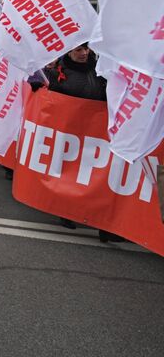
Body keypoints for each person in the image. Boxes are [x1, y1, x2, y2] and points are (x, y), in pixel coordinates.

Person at [45, 43, 118, 241]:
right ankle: (67, 212)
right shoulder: (57, 72)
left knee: (99, 179)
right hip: (71, 134)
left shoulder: (100, 69)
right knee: (72, 175)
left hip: (97, 134)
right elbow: (51, 102)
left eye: (86, 49)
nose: (84, 53)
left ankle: (104, 226)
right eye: (78, 50)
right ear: (69, 51)